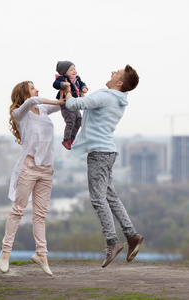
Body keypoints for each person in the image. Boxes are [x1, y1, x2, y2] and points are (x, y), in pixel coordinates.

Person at [64, 65, 144, 268]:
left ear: (119, 83)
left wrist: (67, 89)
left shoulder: (106, 96)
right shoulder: (118, 101)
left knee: (98, 198)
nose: (111, 73)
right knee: (110, 196)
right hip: (108, 152)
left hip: (99, 153)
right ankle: (132, 235)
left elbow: (74, 105)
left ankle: (113, 242)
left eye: (116, 74)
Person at [0, 81, 64, 276]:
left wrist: (68, 87)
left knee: (40, 215)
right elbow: (36, 100)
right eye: (33, 87)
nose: (37, 90)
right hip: (29, 167)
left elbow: (65, 103)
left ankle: (41, 255)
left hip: (46, 169)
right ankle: (5, 253)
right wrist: (58, 101)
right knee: (18, 211)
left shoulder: (42, 110)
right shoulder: (20, 113)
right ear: (24, 93)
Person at [53, 60, 88, 150]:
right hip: (66, 103)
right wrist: (63, 84)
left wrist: (84, 88)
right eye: (71, 69)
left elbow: (82, 83)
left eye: (74, 68)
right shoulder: (62, 78)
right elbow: (55, 84)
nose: (74, 71)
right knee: (71, 121)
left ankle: (72, 138)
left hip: (75, 103)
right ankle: (66, 139)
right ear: (65, 72)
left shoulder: (77, 78)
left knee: (79, 120)